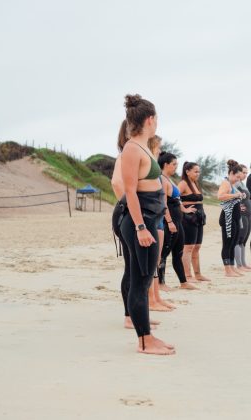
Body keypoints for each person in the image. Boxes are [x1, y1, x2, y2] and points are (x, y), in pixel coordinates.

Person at [116, 93, 174, 355]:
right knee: (140, 281)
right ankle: (143, 342)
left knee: (145, 277)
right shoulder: (131, 148)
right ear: (150, 120)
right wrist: (140, 228)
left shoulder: (142, 148)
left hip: (150, 219)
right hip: (141, 223)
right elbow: (130, 191)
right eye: (157, 118)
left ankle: (147, 336)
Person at [111, 120, 160, 330]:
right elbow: (116, 183)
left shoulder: (139, 151)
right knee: (132, 270)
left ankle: (137, 315)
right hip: (131, 216)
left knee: (135, 270)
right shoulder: (126, 154)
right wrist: (132, 209)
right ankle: (129, 316)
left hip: (141, 215)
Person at [157, 151, 197, 290]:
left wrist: (184, 210)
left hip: (178, 221)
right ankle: (160, 283)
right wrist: (169, 222)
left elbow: (176, 199)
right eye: (174, 164)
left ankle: (183, 282)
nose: (176, 167)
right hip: (170, 222)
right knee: (164, 253)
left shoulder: (170, 179)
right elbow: (163, 203)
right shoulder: (161, 179)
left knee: (178, 253)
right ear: (166, 164)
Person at [146, 135, 175, 311]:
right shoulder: (148, 165)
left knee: (157, 261)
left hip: (158, 219)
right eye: (158, 148)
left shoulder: (155, 168)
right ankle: (151, 299)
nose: (160, 150)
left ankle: (156, 297)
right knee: (151, 262)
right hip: (151, 217)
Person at [179, 162, 210, 281]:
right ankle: (187, 275)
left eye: (199, 171)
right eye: (196, 171)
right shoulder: (183, 183)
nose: (198, 173)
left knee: (197, 246)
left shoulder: (194, 183)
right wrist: (184, 209)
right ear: (187, 171)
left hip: (199, 218)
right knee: (188, 247)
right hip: (188, 219)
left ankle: (198, 274)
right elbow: (173, 196)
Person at [218, 160, 245, 277]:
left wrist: (240, 198)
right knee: (227, 244)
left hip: (235, 218)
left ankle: (232, 267)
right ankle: (227, 270)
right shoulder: (225, 183)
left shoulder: (232, 184)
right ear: (232, 173)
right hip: (227, 219)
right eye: (237, 177)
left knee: (233, 243)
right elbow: (220, 196)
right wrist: (236, 195)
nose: (238, 179)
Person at [234, 164, 251, 271]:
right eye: (243, 172)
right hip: (241, 215)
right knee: (239, 239)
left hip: (248, 216)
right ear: (238, 172)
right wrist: (237, 205)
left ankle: (244, 263)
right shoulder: (236, 184)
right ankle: (239, 265)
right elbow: (229, 195)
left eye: (246, 173)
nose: (245, 175)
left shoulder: (242, 184)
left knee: (244, 240)